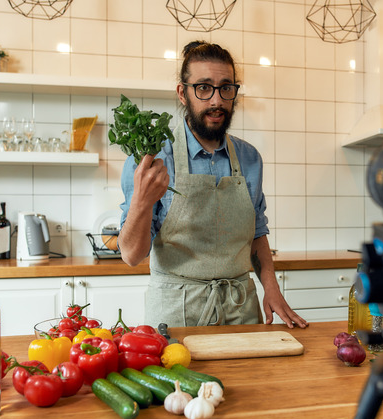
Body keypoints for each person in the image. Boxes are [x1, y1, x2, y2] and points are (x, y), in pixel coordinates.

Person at [118, 41, 308, 330]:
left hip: (240, 310)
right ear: (183, 93)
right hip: (174, 315)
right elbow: (132, 255)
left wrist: (271, 287)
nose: (216, 100)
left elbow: (257, 232)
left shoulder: (249, 158)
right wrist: (142, 201)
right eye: (204, 88)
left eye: (226, 88)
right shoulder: (154, 159)